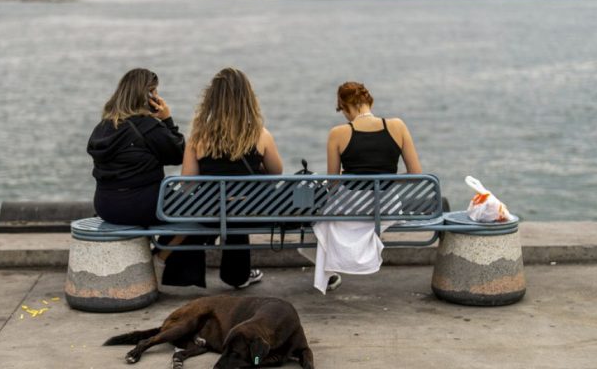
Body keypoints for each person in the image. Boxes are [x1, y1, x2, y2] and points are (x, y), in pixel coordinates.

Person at [302, 81, 422, 293]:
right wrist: (385, 180)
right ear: (369, 101)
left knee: (316, 224)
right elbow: (416, 175)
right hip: (386, 206)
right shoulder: (397, 126)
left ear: (345, 106)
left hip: (350, 207)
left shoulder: (338, 134)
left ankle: (330, 273)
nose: (345, 116)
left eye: (343, 111)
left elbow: (333, 183)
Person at [173, 67, 284, 289]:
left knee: (226, 208)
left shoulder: (198, 137)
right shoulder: (260, 134)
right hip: (250, 210)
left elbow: (187, 182)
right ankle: (237, 275)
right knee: (238, 209)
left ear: (211, 100)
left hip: (210, 211)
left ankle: (235, 274)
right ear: (247, 98)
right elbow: (277, 171)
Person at [86, 68, 183, 233]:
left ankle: (161, 256)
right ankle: (164, 257)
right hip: (141, 207)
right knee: (200, 210)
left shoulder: (103, 127)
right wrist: (167, 120)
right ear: (148, 97)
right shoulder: (148, 127)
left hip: (105, 206)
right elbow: (179, 154)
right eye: (154, 91)